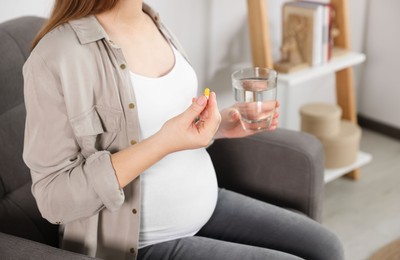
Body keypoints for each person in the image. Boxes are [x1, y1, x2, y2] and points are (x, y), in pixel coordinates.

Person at [23, 0, 344, 259]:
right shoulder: (56, 56)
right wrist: (164, 143)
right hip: (141, 241)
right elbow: (54, 199)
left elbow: (158, 120)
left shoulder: (153, 19)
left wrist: (219, 126)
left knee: (326, 247)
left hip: (206, 204)